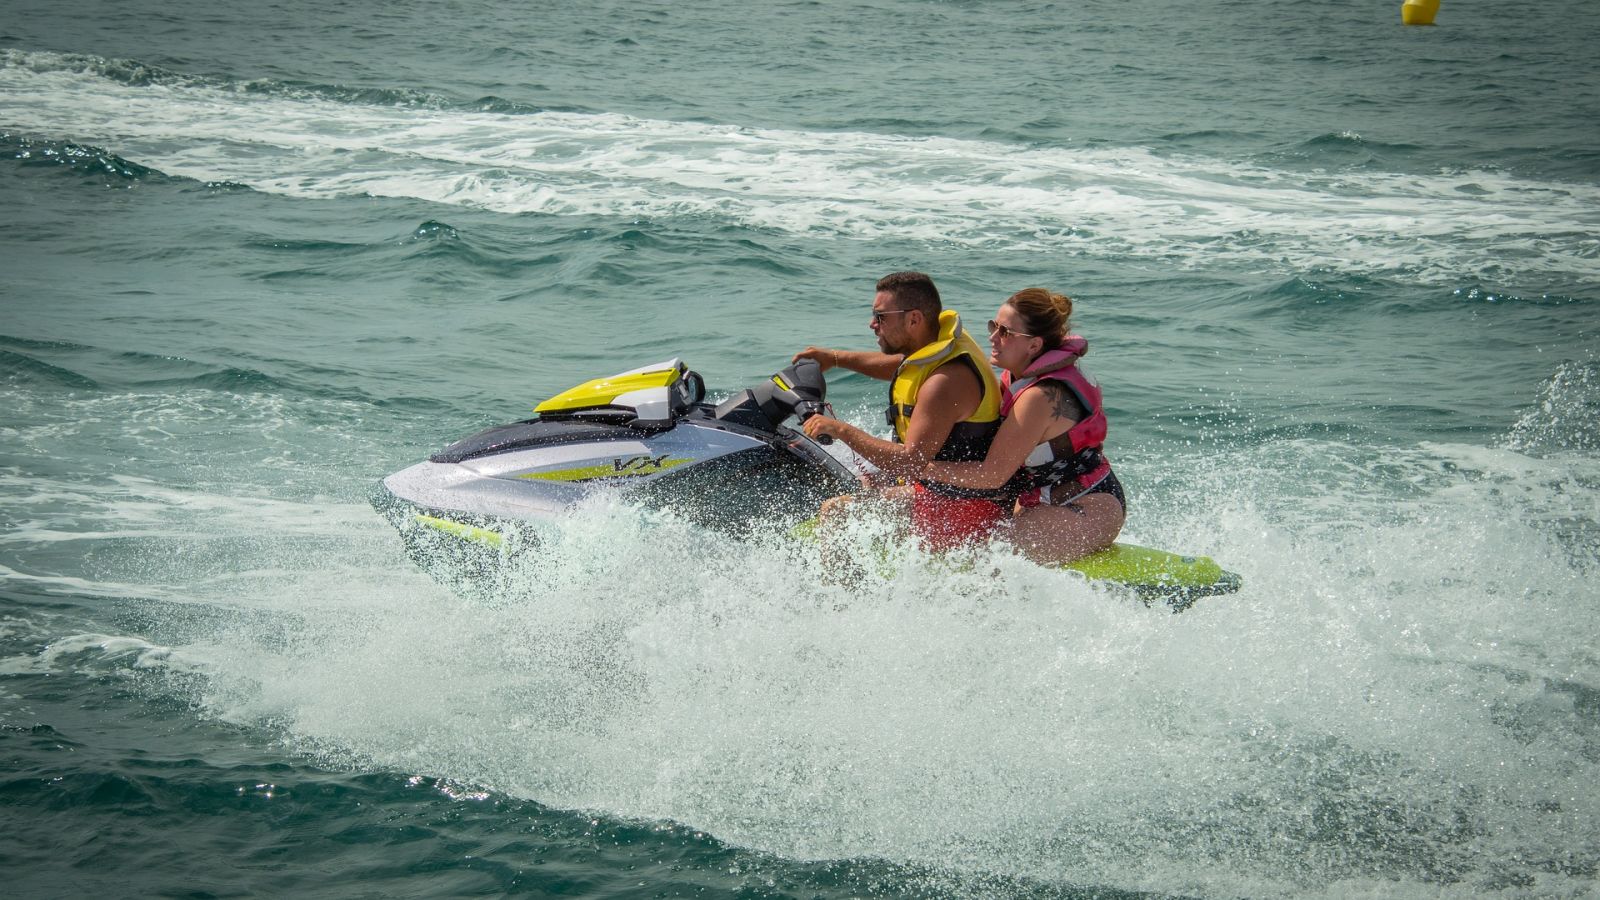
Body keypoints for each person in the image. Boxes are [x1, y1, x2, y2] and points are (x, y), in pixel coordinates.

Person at [794, 271, 1010, 552]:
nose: (872, 324)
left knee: (837, 514)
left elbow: (910, 462)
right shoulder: (935, 347)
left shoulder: (945, 383)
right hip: (936, 486)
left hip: (962, 506)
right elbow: (901, 366)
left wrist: (841, 429)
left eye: (881, 317)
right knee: (853, 482)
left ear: (914, 319)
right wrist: (835, 359)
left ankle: (842, 597)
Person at [920, 288, 1124, 563]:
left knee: (991, 558)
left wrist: (917, 466)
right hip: (1041, 500)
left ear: (1034, 345)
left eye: (1005, 332)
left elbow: (993, 475)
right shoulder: (1017, 377)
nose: (992, 337)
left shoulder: (1039, 397)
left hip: (1085, 506)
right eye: (994, 326)